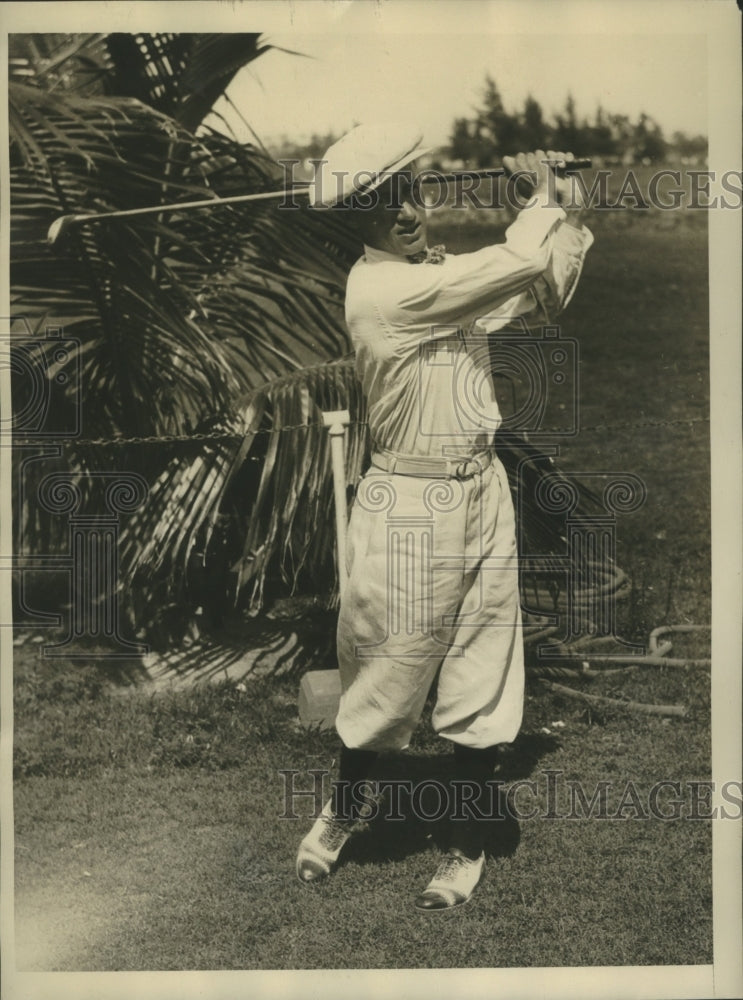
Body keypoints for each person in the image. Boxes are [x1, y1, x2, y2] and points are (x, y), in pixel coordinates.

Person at [296, 122, 592, 910]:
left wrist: (564, 205)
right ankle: (347, 805)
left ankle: (464, 842)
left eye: (409, 190)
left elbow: (540, 287)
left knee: (480, 666)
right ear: (350, 221)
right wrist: (536, 200)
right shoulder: (383, 293)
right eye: (378, 202)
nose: (404, 210)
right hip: (405, 504)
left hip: (478, 493)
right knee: (385, 671)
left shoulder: (437, 278)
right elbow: (518, 258)